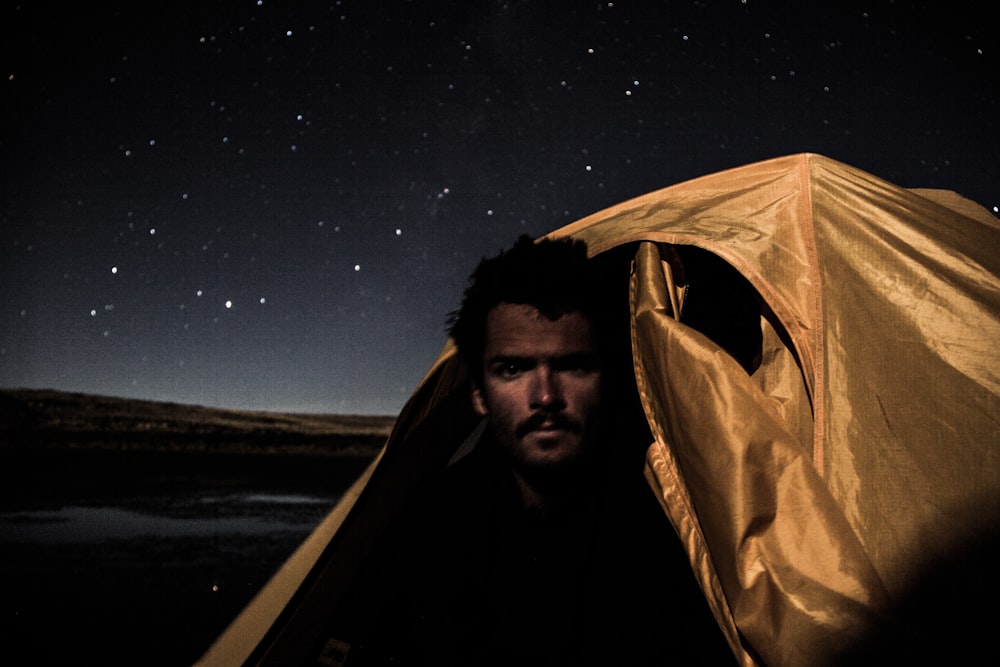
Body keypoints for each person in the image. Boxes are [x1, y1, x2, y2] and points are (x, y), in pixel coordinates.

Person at [336, 235, 734, 665]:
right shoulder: (432, 524)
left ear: (608, 381)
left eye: (573, 365)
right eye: (513, 369)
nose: (545, 397)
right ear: (478, 394)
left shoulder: (670, 519)